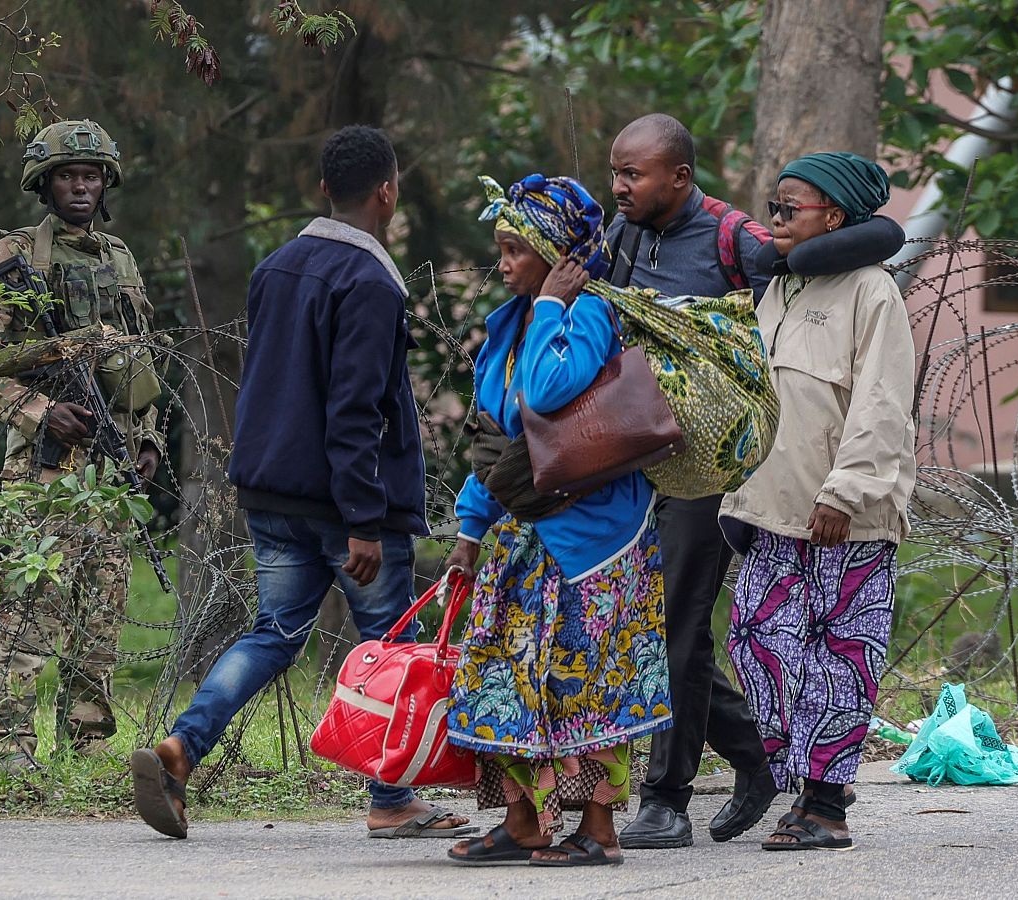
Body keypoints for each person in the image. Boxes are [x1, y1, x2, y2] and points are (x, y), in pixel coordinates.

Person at [130, 125, 474, 842]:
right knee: (388, 645)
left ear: (324, 188)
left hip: (272, 493)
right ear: (387, 192)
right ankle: (391, 797)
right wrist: (362, 518)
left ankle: (181, 748)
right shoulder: (372, 283)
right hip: (342, 501)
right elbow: (353, 411)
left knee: (274, 634)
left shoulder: (276, 265)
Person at [442, 173, 671, 868]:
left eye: (516, 249)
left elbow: (545, 394)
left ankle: (596, 829)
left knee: (585, 682)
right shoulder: (506, 325)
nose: (504, 263)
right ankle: (523, 822)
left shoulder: (592, 314)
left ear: (559, 256)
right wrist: (469, 531)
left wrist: (551, 306)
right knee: (500, 676)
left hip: (593, 541)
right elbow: (497, 440)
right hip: (523, 534)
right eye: (501, 249)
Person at [719, 151, 915, 852]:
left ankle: (825, 805)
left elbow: (882, 404)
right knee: (759, 644)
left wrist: (846, 490)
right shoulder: (781, 290)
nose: (772, 219)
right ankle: (810, 779)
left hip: (846, 518)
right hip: (774, 510)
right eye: (771, 205)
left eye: (787, 208)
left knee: (839, 657)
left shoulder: (871, 291)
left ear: (833, 215)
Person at [0, 119, 165, 772]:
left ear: (105, 182)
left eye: (90, 176)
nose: (80, 187)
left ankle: (87, 752)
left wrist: (146, 443)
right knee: (30, 615)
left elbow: (138, 362)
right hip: (42, 473)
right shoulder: (13, 256)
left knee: (100, 623)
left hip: (108, 475)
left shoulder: (121, 259)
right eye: (67, 176)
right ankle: (9, 756)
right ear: (43, 184)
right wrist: (42, 411)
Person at [605, 113, 778, 849]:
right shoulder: (623, 234)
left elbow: (787, 337)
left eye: (632, 174)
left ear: (678, 176)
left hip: (710, 470)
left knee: (679, 620)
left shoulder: (734, 239)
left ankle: (665, 799)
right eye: (615, 171)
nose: (619, 186)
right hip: (633, 460)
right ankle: (757, 753)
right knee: (644, 624)